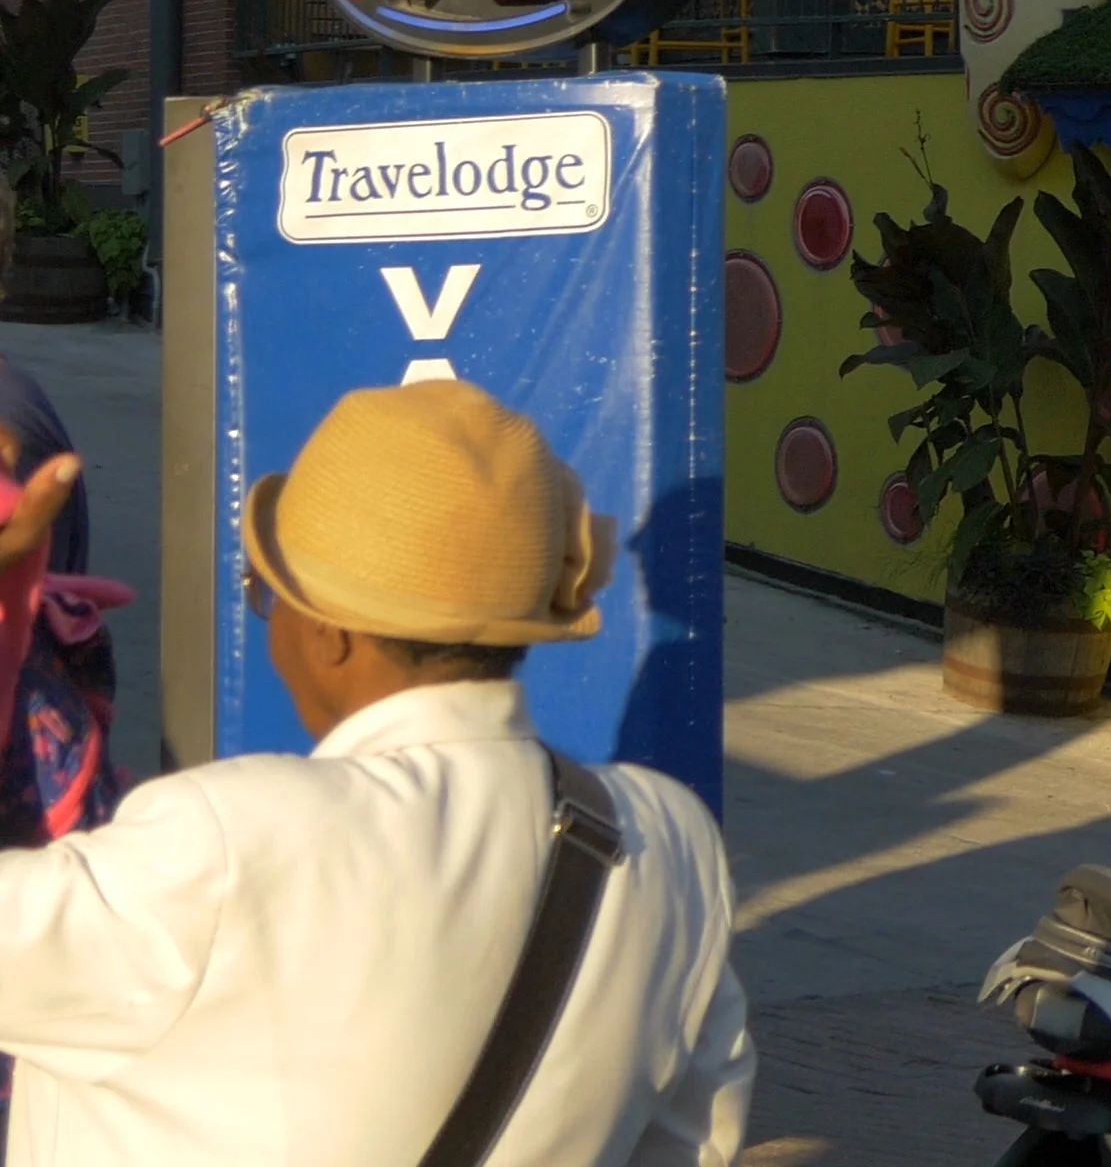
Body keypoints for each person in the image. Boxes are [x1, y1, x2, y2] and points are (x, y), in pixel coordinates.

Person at [0, 382, 754, 1161]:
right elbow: (692, 1141)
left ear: (328, 634)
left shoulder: (224, 845)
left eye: (268, 595)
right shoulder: (671, 844)